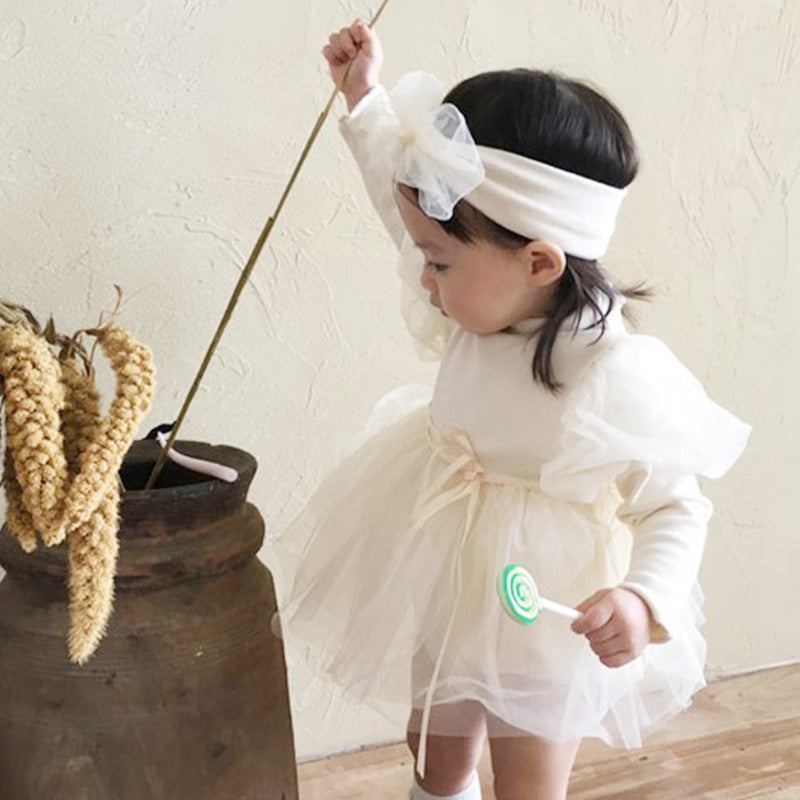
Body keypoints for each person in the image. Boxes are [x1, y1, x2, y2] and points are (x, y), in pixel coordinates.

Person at [275, 19, 750, 800]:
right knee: (433, 749)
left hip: (545, 611)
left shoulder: (609, 369)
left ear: (539, 262)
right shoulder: (482, 283)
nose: (422, 279)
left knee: (527, 778)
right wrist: (365, 100)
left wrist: (643, 598)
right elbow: (405, 209)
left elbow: (674, 505)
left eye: (438, 263)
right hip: (451, 567)